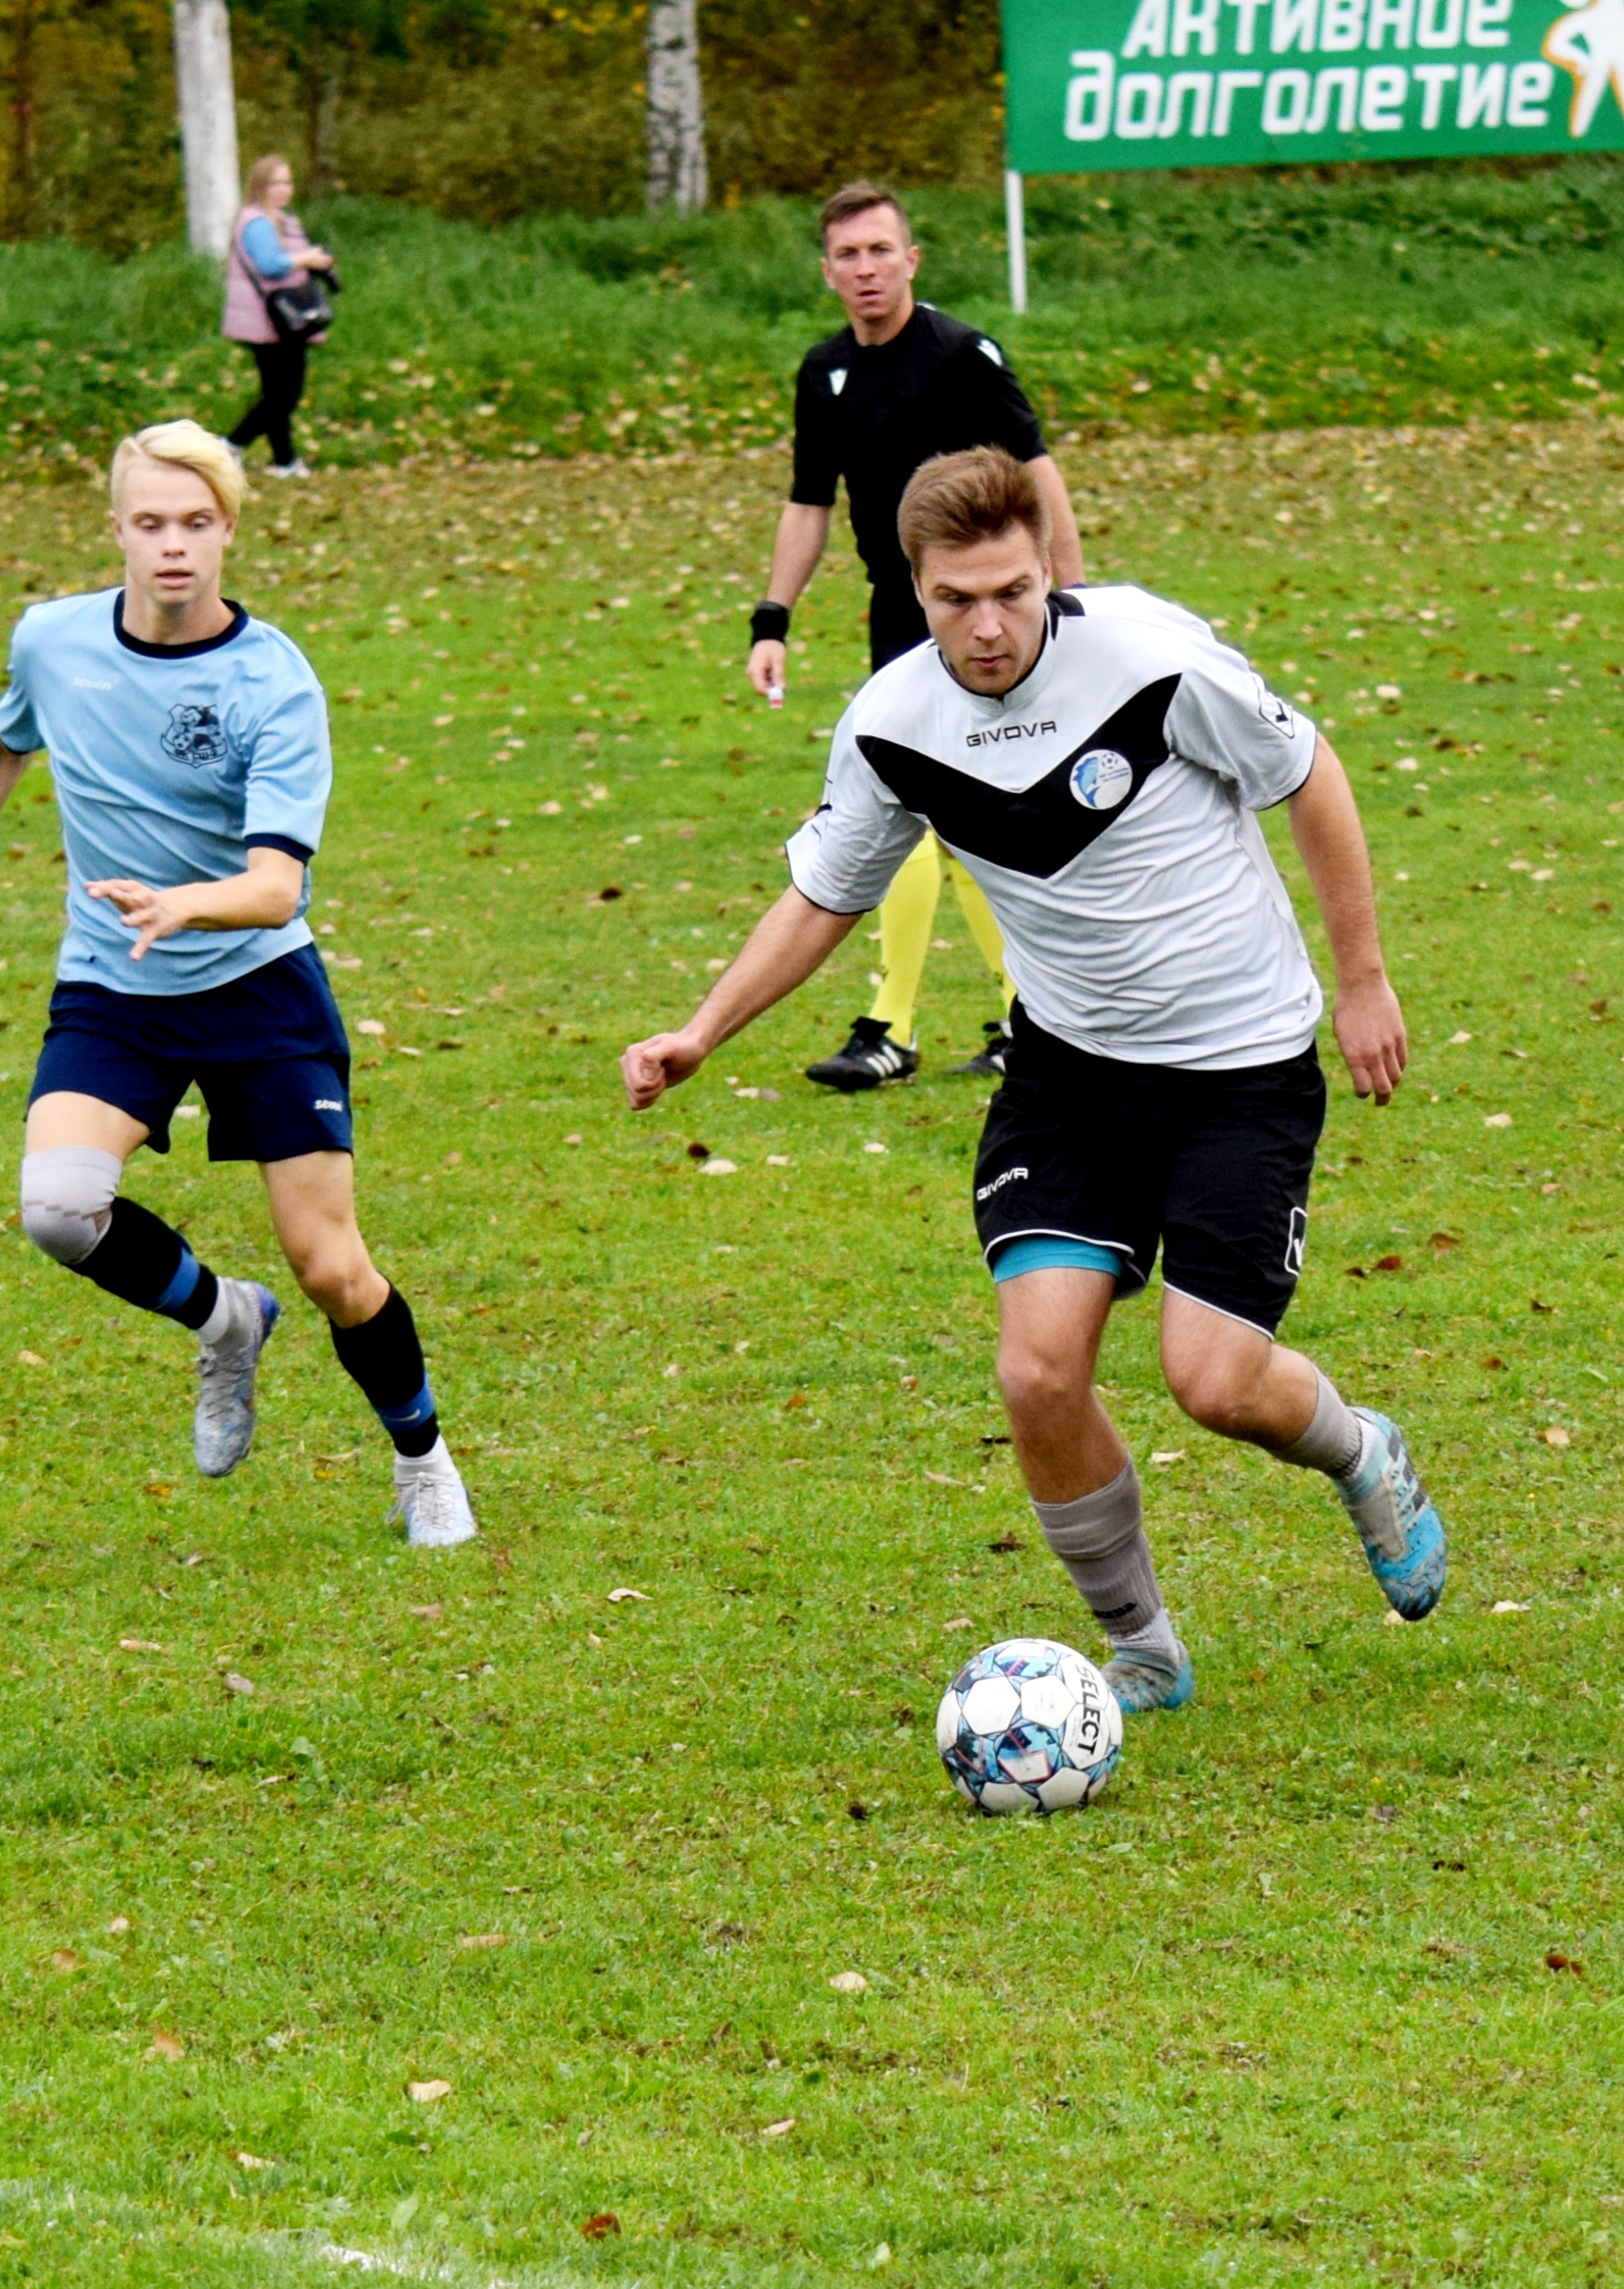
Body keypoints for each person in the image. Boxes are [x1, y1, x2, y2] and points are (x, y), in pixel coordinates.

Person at [628, 447, 1445, 1710]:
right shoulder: (895, 724)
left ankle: (1361, 1451)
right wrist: (701, 1031)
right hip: (1068, 1075)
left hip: (1238, 1064)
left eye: (1013, 589)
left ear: (1048, 568)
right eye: (958, 600)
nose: (991, 623)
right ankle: (1143, 1648)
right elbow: (824, 894)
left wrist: (1364, 978)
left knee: (1214, 1381)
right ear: (917, 591)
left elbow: (1312, 776)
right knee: (1036, 1371)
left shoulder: (1150, 658)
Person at [0, 422, 477, 1549]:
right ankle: (221, 1318)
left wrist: (181, 902)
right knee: (58, 1208)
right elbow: (3, 744)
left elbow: (275, 886)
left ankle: (422, 1455)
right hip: (113, 986)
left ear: (230, 532)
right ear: (114, 529)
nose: (172, 547)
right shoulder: (51, 641)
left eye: (196, 524)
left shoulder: (272, 681)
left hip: (256, 986)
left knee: (332, 1268)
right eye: (150, 523)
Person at [745, 180, 1083, 1091]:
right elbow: (809, 502)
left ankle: (973, 1018)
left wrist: (1075, 604)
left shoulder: (961, 356)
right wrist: (772, 618)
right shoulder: (824, 373)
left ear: (911, 260)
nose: (865, 270)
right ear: (827, 271)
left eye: (879, 251)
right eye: (847, 256)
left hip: (982, 615)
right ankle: (955, 1022)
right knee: (913, 810)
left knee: (964, 810)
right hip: (897, 616)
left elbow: (1038, 476)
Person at [224, 155, 333, 479]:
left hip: (289, 317)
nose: (284, 189)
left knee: (277, 393)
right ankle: (230, 444)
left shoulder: (285, 220)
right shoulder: (256, 222)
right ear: (259, 186)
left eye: (288, 182)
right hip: (267, 319)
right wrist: (308, 259)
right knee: (284, 395)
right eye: (276, 183)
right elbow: (270, 264)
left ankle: (284, 462)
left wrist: (318, 262)